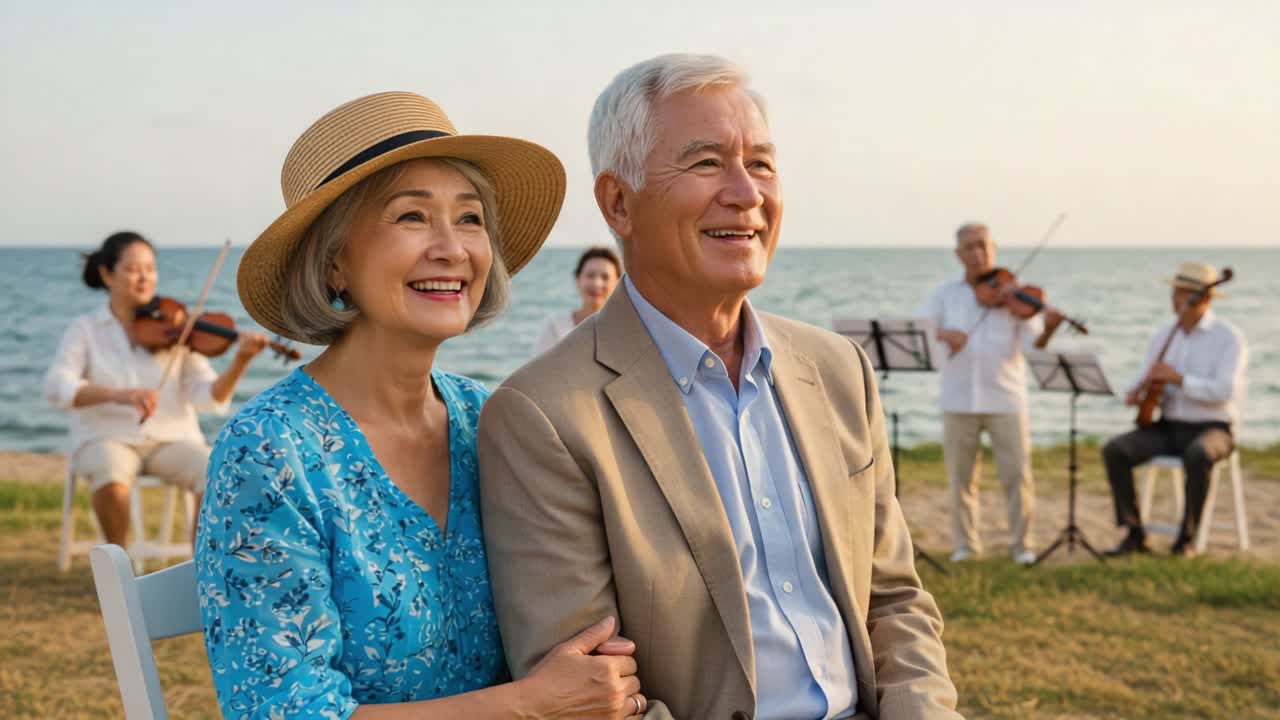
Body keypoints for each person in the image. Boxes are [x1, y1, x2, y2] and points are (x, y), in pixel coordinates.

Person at [478, 54, 960, 719]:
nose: (747, 193)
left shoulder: (839, 370)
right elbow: (592, 701)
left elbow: (895, 600)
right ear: (618, 202)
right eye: (706, 164)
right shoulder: (544, 416)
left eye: (761, 163)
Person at [196, 92, 644, 719]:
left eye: (469, 219)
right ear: (334, 264)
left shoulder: (489, 419)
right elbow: (285, 712)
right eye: (412, 217)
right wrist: (533, 704)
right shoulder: (269, 452)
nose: (453, 249)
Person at [43, 231, 268, 548]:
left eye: (150, 269)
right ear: (107, 274)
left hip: (170, 439)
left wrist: (240, 362)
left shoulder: (177, 326)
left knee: (216, 469)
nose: (145, 277)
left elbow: (209, 396)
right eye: (134, 269)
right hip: (106, 436)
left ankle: (199, 571)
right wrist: (120, 395)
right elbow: (57, 386)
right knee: (111, 475)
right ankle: (121, 571)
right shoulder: (86, 329)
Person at [916, 223, 1064, 565]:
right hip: (957, 398)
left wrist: (1050, 329)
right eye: (970, 247)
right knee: (961, 479)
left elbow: (1033, 347)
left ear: (994, 248)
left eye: (983, 246)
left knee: (1016, 475)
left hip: (1006, 399)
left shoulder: (1014, 297)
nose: (978, 253)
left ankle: (1021, 546)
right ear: (958, 254)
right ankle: (966, 546)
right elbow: (920, 329)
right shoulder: (945, 294)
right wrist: (943, 333)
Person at [1101, 261, 1247, 557]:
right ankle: (1134, 533)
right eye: (1174, 293)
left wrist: (1180, 380)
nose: (1175, 300)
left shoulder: (1229, 338)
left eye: (1183, 294)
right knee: (1115, 450)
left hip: (1213, 427)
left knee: (1199, 454)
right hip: (1169, 426)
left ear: (1202, 298)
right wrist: (1135, 391)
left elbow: (1225, 392)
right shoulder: (1164, 335)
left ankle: (1187, 540)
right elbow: (1146, 372)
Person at [531, 245, 621, 354]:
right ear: (578, 279)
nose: (597, 283)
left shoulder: (625, 330)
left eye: (605, 277)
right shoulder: (555, 326)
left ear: (617, 283)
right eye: (590, 275)